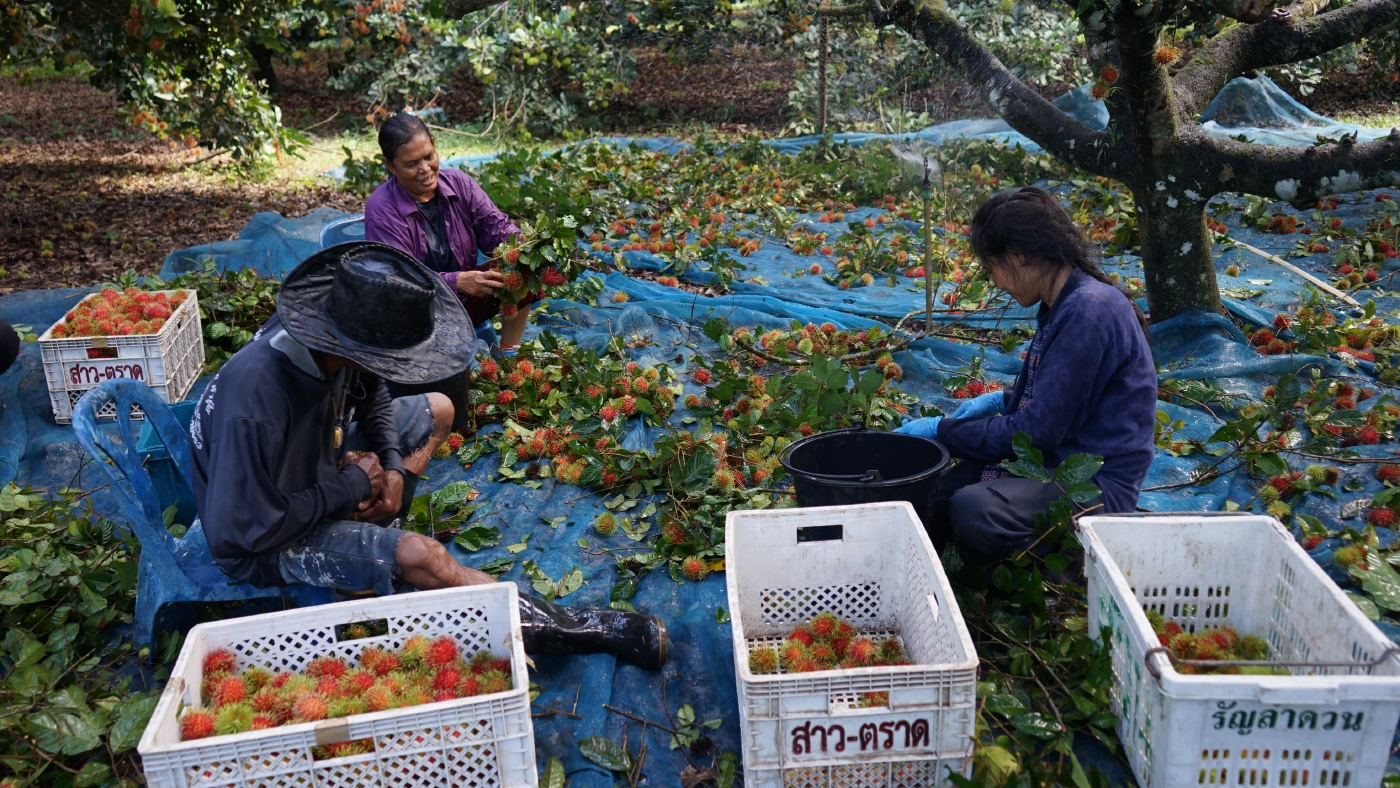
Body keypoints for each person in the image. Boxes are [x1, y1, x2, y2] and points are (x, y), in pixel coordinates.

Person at [189, 241, 667, 668]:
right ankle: (572, 628)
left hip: (314, 468)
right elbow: (244, 532)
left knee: (438, 408)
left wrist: (392, 471)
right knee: (426, 556)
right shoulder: (256, 403)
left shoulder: (328, 337)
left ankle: (376, 523)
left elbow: (371, 390)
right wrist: (353, 486)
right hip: (261, 535)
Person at [896, 187, 1157, 564]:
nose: (997, 282)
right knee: (931, 497)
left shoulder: (1088, 312)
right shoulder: (1064, 303)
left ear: (1018, 255)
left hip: (1093, 486)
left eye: (993, 269)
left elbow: (1036, 432)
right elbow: (1057, 395)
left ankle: (1062, 573)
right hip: (1051, 462)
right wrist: (998, 402)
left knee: (977, 510)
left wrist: (943, 431)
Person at [364, 112, 532, 353]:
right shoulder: (382, 209)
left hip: (467, 302)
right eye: (411, 164)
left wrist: (523, 243)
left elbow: (495, 227)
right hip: (416, 314)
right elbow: (398, 280)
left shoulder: (460, 184)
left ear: (433, 144)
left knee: (523, 267)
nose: (425, 169)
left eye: (429, 157)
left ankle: (509, 352)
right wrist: (457, 282)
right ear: (390, 165)